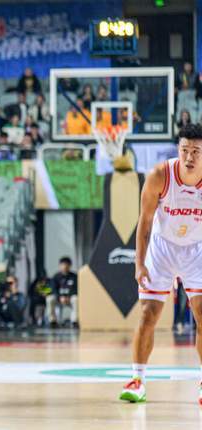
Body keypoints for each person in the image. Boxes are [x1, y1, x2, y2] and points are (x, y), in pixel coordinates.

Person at [120, 124, 202, 404]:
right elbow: (144, 222)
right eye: (185, 150)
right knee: (148, 314)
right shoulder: (159, 176)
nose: (189, 157)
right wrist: (139, 264)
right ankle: (137, 380)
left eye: (196, 151)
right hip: (162, 247)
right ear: (178, 149)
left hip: (196, 250)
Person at [47, 256, 78, 329]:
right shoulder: (56, 277)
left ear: (70, 266)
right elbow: (53, 289)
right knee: (50, 299)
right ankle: (52, 321)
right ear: (60, 266)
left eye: (66, 265)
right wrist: (59, 297)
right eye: (63, 264)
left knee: (76, 299)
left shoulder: (74, 277)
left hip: (70, 298)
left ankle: (75, 321)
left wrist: (68, 296)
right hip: (59, 298)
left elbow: (76, 289)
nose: (64, 266)